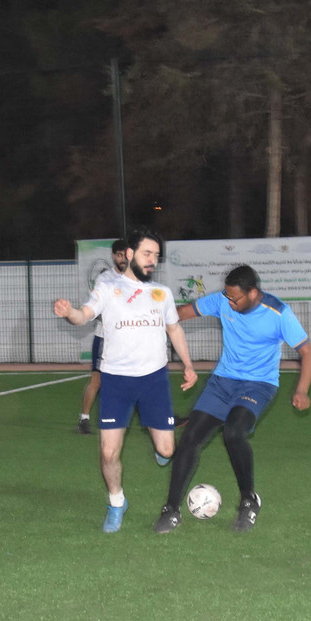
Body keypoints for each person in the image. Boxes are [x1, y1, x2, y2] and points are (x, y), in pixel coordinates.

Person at [53, 228, 197, 534]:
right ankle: (117, 503)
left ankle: (160, 445)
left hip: (153, 379)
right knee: (108, 453)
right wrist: (70, 313)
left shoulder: (162, 293)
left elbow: (174, 329)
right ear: (130, 254)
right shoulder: (108, 287)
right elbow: (84, 315)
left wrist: (188, 364)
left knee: (168, 451)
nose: (152, 260)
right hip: (116, 381)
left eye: (156, 256)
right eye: (147, 253)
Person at [155, 264, 311, 534]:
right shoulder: (223, 300)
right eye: (227, 296)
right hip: (222, 381)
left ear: (252, 293)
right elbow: (180, 314)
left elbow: (307, 353)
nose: (229, 302)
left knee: (233, 432)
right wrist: (153, 320)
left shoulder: (278, 313)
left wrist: (302, 390)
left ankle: (249, 500)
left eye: (235, 298)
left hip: (259, 384)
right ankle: (171, 510)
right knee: (190, 438)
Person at [77, 240, 128, 433]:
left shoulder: (135, 278)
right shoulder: (105, 279)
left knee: (136, 378)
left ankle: (155, 418)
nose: (123, 259)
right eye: (119, 255)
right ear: (113, 256)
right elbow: (96, 309)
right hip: (105, 339)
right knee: (97, 380)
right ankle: (84, 419)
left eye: (126, 255)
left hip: (127, 339)